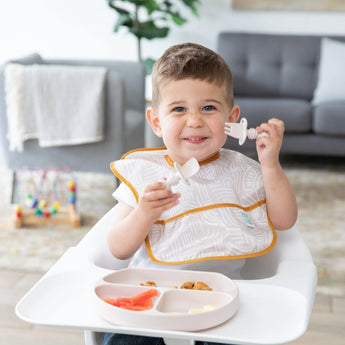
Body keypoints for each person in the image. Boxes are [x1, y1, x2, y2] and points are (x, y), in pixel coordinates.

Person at [103, 43, 298, 345]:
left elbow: (284, 221)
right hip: (152, 292)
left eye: (208, 108)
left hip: (224, 297)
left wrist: (270, 164)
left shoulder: (242, 171)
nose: (194, 120)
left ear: (232, 118)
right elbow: (118, 248)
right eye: (179, 109)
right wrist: (143, 214)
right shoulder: (144, 172)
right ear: (156, 121)